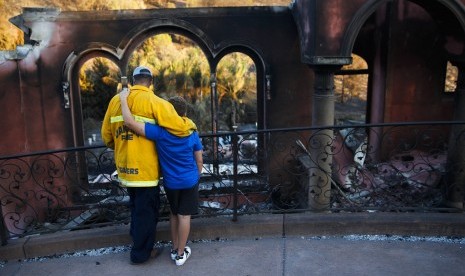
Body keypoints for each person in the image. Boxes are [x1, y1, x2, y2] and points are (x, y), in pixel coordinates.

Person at [101, 66, 196, 265]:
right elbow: (179, 128)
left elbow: (106, 137)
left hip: (125, 168)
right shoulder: (156, 102)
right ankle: (140, 254)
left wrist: (122, 146)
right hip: (145, 170)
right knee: (146, 212)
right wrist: (191, 126)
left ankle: (140, 245)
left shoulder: (115, 101)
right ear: (150, 82)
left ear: (134, 80)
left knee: (136, 208)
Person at [119, 88, 203, 266]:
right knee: (184, 216)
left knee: (174, 214)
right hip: (189, 180)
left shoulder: (160, 132)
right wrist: (197, 175)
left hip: (171, 182)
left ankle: (174, 249)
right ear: (185, 113)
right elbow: (199, 160)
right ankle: (181, 254)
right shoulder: (192, 131)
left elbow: (130, 123)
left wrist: (123, 99)